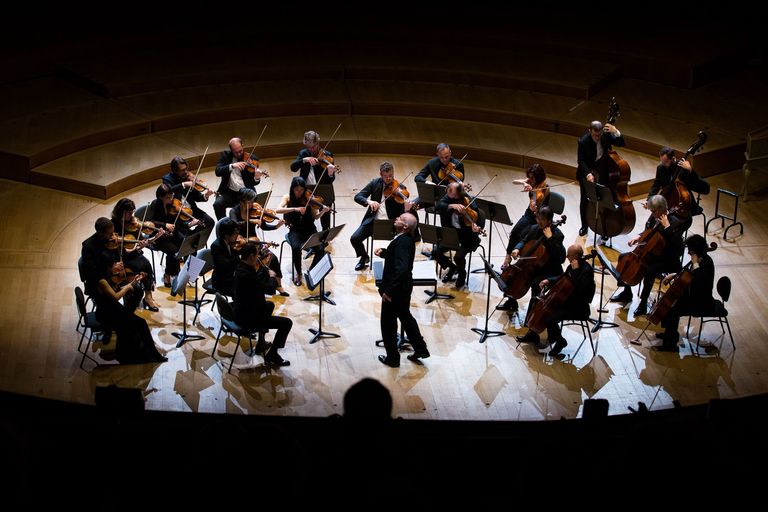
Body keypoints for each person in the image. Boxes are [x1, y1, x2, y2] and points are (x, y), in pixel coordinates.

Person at [611, 195, 686, 316]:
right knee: (622, 257)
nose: (652, 213)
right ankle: (626, 292)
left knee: (650, 271)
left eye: (654, 211)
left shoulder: (674, 222)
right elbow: (649, 232)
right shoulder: (654, 217)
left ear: (662, 208)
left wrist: (667, 227)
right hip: (650, 252)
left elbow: (678, 247)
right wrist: (638, 237)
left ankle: (643, 303)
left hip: (667, 258)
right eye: (651, 211)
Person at [375, 212, 430, 367]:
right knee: (405, 316)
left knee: (388, 323)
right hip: (404, 287)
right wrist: (385, 253)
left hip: (396, 289)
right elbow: (400, 259)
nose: (396, 219)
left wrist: (389, 291)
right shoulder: (405, 239)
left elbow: (402, 268)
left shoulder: (402, 242)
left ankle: (392, 358)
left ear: (405, 226)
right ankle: (420, 349)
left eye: (400, 218)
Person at [505, 206, 566, 343]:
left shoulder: (557, 234)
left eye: (542, 220)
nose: (539, 221)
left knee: (535, 289)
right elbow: (523, 240)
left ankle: (532, 331)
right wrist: (517, 248)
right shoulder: (534, 228)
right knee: (516, 277)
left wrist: (550, 239)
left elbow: (560, 258)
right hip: (534, 267)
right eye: (538, 218)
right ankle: (510, 300)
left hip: (550, 270)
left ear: (549, 220)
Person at [497, 163, 549, 311]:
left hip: (538, 218)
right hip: (529, 215)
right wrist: (525, 183)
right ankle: (507, 257)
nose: (530, 180)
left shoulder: (544, 188)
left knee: (524, 243)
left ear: (538, 177)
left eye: (532, 178)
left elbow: (537, 207)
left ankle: (513, 291)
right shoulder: (533, 183)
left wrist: (533, 198)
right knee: (514, 232)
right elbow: (515, 181)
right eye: (529, 177)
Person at [94, 260, 167, 364]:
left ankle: (135, 354)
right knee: (140, 323)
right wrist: (128, 287)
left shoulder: (109, 278)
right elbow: (115, 296)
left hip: (114, 309)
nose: (120, 264)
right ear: (109, 267)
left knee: (136, 324)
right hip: (106, 314)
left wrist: (134, 282)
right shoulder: (102, 281)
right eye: (115, 264)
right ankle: (152, 354)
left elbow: (118, 289)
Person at [529, 244, 596, 356]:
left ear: (574, 257)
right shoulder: (571, 266)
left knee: (550, 318)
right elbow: (562, 278)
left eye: (568, 255)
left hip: (579, 308)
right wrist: (548, 281)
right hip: (568, 303)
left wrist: (575, 271)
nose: (566, 257)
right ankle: (553, 340)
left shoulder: (586, 271)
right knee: (546, 311)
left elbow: (580, 289)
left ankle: (559, 342)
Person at [233, 242, 292, 366]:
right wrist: (271, 276)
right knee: (286, 323)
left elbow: (256, 281)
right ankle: (272, 355)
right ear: (251, 256)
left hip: (241, 309)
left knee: (269, 305)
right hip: (249, 318)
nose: (258, 258)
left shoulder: (241, 267)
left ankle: (261, 342)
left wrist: (263, 269)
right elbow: (270, 289)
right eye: (256, 255)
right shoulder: (247, 275)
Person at [350, 161, 415, 271]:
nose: (389, 179)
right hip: (373, 222)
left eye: (391, 176)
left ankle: (396, 261)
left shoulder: (400, 187)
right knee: (354, 238)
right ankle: (364, 257)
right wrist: (368, 201)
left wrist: (406, 206)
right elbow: (358, 196)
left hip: (393, 224)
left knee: (403, 242)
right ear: (381, 174)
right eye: (386, 176)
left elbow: (403, 210)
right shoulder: (374, 183)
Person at [656, 234, 716, 352]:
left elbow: (699, 280)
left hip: (702, 302)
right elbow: (687, 272)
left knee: (673, 309)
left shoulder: (707, 263)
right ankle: (669, 333)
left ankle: (671, 344)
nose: (688, 252)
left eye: (690, 250)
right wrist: (673, 275)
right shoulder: (698, 259)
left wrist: (695, 263)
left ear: (696, 250)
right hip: (692, 296)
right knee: (669, 304)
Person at [228, 188, 288, 296]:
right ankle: (258, 284)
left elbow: (263, 226)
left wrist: (276, 226)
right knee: (254, 261)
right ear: (241, 201)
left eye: (252, 201)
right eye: (249, 202)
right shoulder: (234, 211)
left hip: (254, 242)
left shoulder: (254, 210)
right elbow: (235, 225)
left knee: (273, 257)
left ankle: (279, 285)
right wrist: (250, 221)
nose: (252, 204)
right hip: (239, 243)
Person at [276, 176, 330, 287]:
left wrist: (323, 211)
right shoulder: (287, 198)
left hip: (310, 229)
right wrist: (295, 209)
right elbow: (278, 210)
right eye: (296, 190)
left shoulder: (309, 198)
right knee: (296, 248)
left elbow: (316, 217)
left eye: (301, 190)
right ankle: (299, 274)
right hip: (295, 230)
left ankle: (312, 271)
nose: (299, 193)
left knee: (320, 249)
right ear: (292, 189)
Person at [110, 198, 161, 311]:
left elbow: (141, 239)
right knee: (140, 266)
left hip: (134, 253)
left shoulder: (133, 223)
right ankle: (132, 296)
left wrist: (148, 241)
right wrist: (137, 248)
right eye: (128, 212)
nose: (131, 215)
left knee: (147, 264)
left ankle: (148, 297)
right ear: (121, 211)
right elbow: (117, 249)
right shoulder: (113, 225)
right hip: (121, 257)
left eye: (132, 212)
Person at [576, 120, 625, 237]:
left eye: (599, 135)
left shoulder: (605, 135)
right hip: (587, 173)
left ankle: (605, 228)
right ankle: (584, 226)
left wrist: (616, 132)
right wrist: (588, 174)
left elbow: (622, 143)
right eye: (594, 135)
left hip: (603, 172)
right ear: (590, 131)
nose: (597, 137)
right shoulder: (583, 141)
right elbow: (581, 160)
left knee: (605, 200)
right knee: (585, 199)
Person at [434, 181, 485, 288]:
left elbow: (478, 219)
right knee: (435, 252)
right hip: (452, 235)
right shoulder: (447, 198)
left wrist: (476, 227)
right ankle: (452, 268)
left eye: (451, 191)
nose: (448, 192)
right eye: (448, 190)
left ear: (458, 194)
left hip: (468, 237)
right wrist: (452, 206)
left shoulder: (469, 200)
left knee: (458, 257)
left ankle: (462, 274)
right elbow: (438, 206)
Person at [290, 130, 338, 231]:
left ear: (318, 143)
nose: (312, 150)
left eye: (314, 147)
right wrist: (304, 160)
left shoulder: (327, 155)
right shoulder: (304, 153)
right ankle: (306, 230)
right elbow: (293, 168)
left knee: (325, 207)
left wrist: (330, 173)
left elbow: (331, 179)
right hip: (306, 188)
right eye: (309, 147)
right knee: (303, 209)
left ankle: (325, 231)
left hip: (323, 187)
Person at [147, 183, 194, 287]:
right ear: (160, 197)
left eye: (172, 195)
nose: (171, 198)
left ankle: (191, 274)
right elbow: (149, 221)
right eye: (168, 197)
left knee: (191, 245)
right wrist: (164, 225)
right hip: (158, 236)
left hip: (172, 233)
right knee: (174, 251)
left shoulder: (173, 204)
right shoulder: (155, 204)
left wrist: (189, 223)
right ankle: (169, 275)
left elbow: (179, 222)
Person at [648, 146, 710, 218]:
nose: (663, 164)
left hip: (683, 205)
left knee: (672, 220)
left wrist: (690, 171)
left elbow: (705, 188)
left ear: (673, 158)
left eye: (665, 162)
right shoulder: (660, 168)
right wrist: (649, 200)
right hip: (666, 201)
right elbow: (656, 185)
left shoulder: (683, 169)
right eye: (662, 161)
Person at [213, 137, 263, 219]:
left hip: (244, 193)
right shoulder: (225, 156)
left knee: (250, 211)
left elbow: (253, 183)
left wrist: (256, 177)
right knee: (217, 204)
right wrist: (232, 166)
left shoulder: (252, 159)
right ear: (231, 150)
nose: (239, 154)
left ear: (242, 146)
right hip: (229, 192)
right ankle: (224, 226)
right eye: (235, 152)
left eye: (240, 151)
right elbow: (218, 171)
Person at [162, 156, 215, 228]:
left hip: (191, 210)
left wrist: (206, 195)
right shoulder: (167, 179)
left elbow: (197, 197)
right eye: (182, 170)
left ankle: (198, 238)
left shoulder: (189, 177)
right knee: (184, 231)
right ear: (175, 171)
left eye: (186, 168)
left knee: (210, 222)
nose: (186, 172)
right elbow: (169, 191)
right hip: (177, 212)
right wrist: (183, 184)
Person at [81, 217, 119, 298]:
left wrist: (118, 247)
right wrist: (111, 269)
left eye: (113, 232)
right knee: (114, 303)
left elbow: (120, 256)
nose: (113, 236)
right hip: (99, 283)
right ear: (100, 233)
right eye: (110, 234)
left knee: (136, 290)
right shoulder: (88, 246)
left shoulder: (111, 241)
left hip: (115, 276)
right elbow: (92, 272)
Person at [209, 217, 241, 297]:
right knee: (242, 289)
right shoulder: (216, 246)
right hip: (221, 280)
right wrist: (239, 257)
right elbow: (224, 265)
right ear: (227, 235)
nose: (237, 237)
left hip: (232, 274)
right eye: (235, 234)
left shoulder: (232, 242)